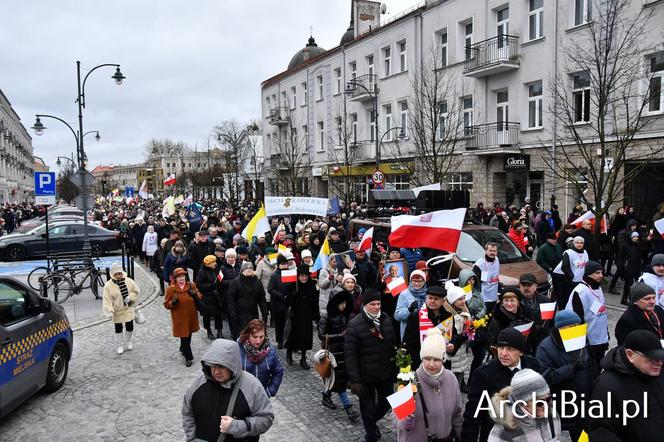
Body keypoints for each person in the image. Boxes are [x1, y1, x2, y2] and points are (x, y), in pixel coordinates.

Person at [182, 339, 274, 441]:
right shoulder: (198, 385)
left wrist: (238, 426)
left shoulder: (252, 386)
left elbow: (266, 418)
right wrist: (192, 438)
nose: (216, 371)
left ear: (232, 364)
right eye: (213, 366)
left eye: (221, 366)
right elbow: (187, 412)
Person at [461, 328, 541, 442]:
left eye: (510, 349)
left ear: (521, 352)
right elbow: (472, 416)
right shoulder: (484, 374)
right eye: (501, 347)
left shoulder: (533, 365)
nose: (503, 353)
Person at [590, 330, 664, 441]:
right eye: (651, 359)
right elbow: (602, 433)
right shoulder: (606, 387)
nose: (659, 363)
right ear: (630, 355)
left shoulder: (656, 371)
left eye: (661, 358)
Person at [344, 289, 396, 442]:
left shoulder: (386, 319)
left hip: (384, 372)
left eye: (379, 304)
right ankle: (371, 435)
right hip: (365, 375)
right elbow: (350, 355)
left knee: (387, 402)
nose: (376, 307)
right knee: (367, 408)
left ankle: (372, 423)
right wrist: (355, 380)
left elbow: (392, 345)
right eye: (372, 304)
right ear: (365, 305)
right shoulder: (355, 324)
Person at [396, 328, 463, 442]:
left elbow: (458, 413)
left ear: (443, 359)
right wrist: (405, 421)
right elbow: (396, 417)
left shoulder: (451, 379)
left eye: (436, 359)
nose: (431, 364)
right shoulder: (409, 381)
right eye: (427, 359)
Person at [535, 310, 591, 440]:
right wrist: (571, 368)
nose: (574, 330)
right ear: (559, 328)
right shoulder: (545, 348)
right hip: (560, 404)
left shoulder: (581, 341)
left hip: (582, 402)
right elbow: (546, 376)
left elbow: (589, 369)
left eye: (576, 326)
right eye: (569, 327)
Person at [317, 287, 360, 422]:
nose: (343, 306)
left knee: (337, 379)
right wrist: (340, 336)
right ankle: (348, 408)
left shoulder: (346, 315)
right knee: (339, 380)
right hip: (332, 353)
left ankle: (326, 394)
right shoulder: (326, 316)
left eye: (344, 303)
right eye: (340, 303)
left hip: (345, 351)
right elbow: (321, 335)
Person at [488, 368, 561, 441]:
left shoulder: (552, 415)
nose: (545, 405)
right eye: (539, 402)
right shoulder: (502, 433)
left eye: (548, 399)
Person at [565, 260, 608, 378]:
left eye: (601, 272)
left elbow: (601, 313)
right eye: (597, 273)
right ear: (589, 274)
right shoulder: (580, 291)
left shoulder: (597, 288)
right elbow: (575, 318)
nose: (601, 275)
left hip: (600, 339)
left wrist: (606, 333)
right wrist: (580, 343)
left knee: (599, 369)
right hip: (588, 342)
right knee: (590, 372)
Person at [402, 285, 449, 369]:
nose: (432, 301)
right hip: (421, 363)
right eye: (430, 298)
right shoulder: (415, 317)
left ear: (443, 301)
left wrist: (453, 345)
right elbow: (408, 344)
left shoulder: (448, 316)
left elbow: (454, 336)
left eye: (436, 299)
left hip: (443, 363)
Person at [164, 267, 203, 367]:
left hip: (191, 316)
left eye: (183, 276)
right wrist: (172, 302)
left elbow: (200, 295)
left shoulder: (191, 285)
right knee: (184, 336)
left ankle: (183, 348)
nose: (181, 279)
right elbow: (166, 304)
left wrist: (195, 294)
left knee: (188, 334)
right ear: (175, 278)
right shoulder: (171, 289)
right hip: (179, 318)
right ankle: (188, 357)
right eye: (179, 277)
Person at [285, 264, 320, 369]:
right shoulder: (293, 285)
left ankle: (303, 358)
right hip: (295, 316)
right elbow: (287, 301)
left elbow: (315, 302)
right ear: (298, 276)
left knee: (305, 338)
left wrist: (316, 316)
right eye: (301, 276)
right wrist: (292, 295)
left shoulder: (311, 286)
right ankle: (289, 353)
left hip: (307, 316)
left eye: (305, 275)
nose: (304, 278)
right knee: (293, 336)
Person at [237, 319, 284, 398]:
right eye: (255, 337)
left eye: (261, 337)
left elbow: (278, 372)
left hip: (261, 398)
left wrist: (269, 391)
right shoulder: (237, 349)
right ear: (248, 335)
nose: (258, 341)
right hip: (241, 397)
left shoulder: (270, 351)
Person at [102, 263, 140, 354]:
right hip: (117, 310)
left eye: (120, 273)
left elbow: (136, 291)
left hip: (128, 308)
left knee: (129, 326)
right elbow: (107, 299)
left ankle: (128, 340)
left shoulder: (129, 281)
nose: (118, 276)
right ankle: (120, 345)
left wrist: (130, 297)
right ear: (112, 275)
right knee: (118, 328)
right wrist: (110, 311)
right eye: (116, 274)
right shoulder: (108, 286)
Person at [226, 261, 269, 340]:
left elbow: (262, 299)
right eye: (246, 268)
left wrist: (265, 313)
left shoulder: (257, 282)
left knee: (252, 335)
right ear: (242, 270)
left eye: (251, 268)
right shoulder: (235, 282)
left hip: (253, 314)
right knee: (241, 337)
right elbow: (231, 300)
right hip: (239, 315)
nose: (249, 270)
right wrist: (233, 315)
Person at [267, 254, 295, 348]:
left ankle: (287, 340)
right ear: (278, 265)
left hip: (288, 303)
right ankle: (279, 341)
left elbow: (293, 287)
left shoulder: (290, 274)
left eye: (285, 264)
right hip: (277, 304)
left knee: (288, 323)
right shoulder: (274, 275)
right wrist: (281, 296)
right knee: (279, 324)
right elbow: (270, 289)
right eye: (282, 264)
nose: (284, 266)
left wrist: (291, 295)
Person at [518, 273, 551, 352]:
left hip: (542, 338)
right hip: (525, 339)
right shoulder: (516, 302)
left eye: (529, 285)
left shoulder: (545, 300)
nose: (526, 288)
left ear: (535, 286)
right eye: (523, 285)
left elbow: (550, 321)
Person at [554, 235, 588, 308]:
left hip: (582, 280)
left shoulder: (585, 252)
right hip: (571, 281)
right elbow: (564, 266)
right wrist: (572, 276)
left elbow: (587, 264)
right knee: (569, 296)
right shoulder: (568, 253)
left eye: (581, 243)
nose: (579, 244)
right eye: (577, 243)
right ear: (574, 243)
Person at [394, 269, 428, 340]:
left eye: (419, 281)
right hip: (409, 332)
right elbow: (397, 316)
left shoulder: (428, 294)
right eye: (414, 281)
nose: (416, 284)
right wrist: (409, 309)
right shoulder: (404, 294)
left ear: (424, 282)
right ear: (410, 281)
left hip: (425, 331)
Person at [195, 255, 224, 340]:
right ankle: (209, 331)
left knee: (218, 315)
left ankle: (219, 331)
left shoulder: (216, 270)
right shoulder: (201, 271)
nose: (215, 263)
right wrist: (211, 285)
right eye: (213, 262)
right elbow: (199, 284)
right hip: (207, 297)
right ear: (208, 263)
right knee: (207, 315)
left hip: (216, 296)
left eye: (215, 261)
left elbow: (219, 279)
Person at [473, 243, 500, 315]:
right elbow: (474, 283)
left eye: (494, 251)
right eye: (490, 250)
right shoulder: (479, 264)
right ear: (485, 251)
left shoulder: (497, 260)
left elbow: (496, 276)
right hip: (484, 297)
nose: (492, 253)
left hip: (494, 295)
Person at [617, 231, 643, 305]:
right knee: (629, 284)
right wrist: (621, 267)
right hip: (627, 268)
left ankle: (625, 299)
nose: (636, 238)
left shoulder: (637, 245)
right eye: (634, 237)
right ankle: (628, 299)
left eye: (637, 237)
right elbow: (620, 258)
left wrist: (639, 268)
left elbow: (639, 258)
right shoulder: (624, 245)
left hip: (635, 268)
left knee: (630, 285)